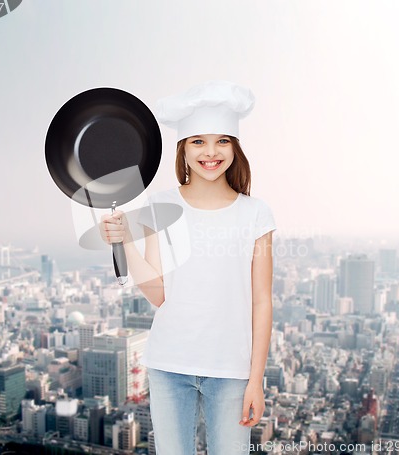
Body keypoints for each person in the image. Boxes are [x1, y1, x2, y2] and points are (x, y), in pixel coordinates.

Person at [100, 80, 276, 454]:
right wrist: (124, 240)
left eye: (222, 140)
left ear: (235, 147)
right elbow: (160, 294)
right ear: (182, 148)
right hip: (168, 364)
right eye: (198, 141)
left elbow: (262, 301)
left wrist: (256, 379)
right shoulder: (159, 205)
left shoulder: (256, 213)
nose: (210, 152)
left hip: (231, 371)